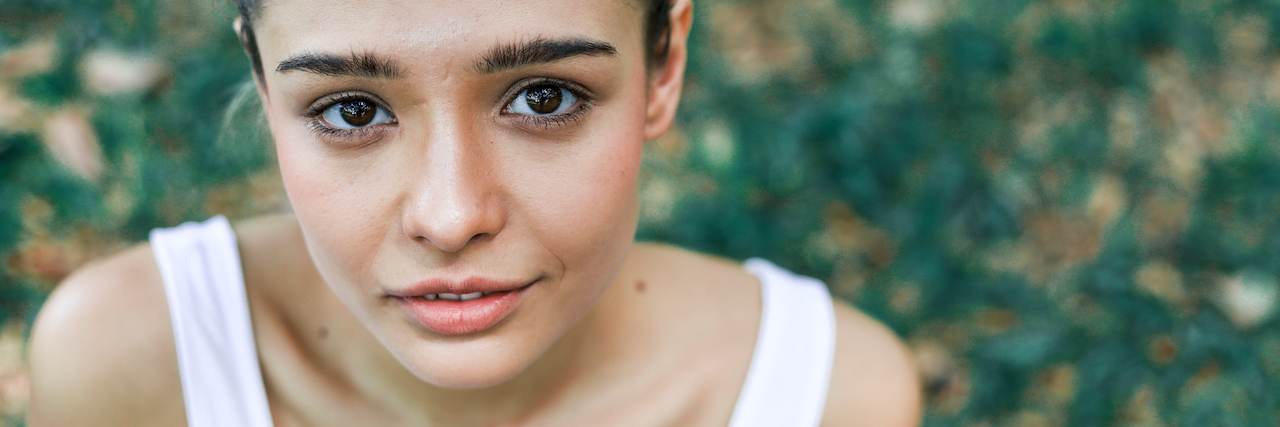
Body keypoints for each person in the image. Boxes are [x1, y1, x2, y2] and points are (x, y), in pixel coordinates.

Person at [26, 0, 922, 425]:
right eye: (351, 110)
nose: (451, 217)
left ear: (664, 65)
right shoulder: (130, 368)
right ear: (264, 83)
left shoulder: (827, 396)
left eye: (542, 98)